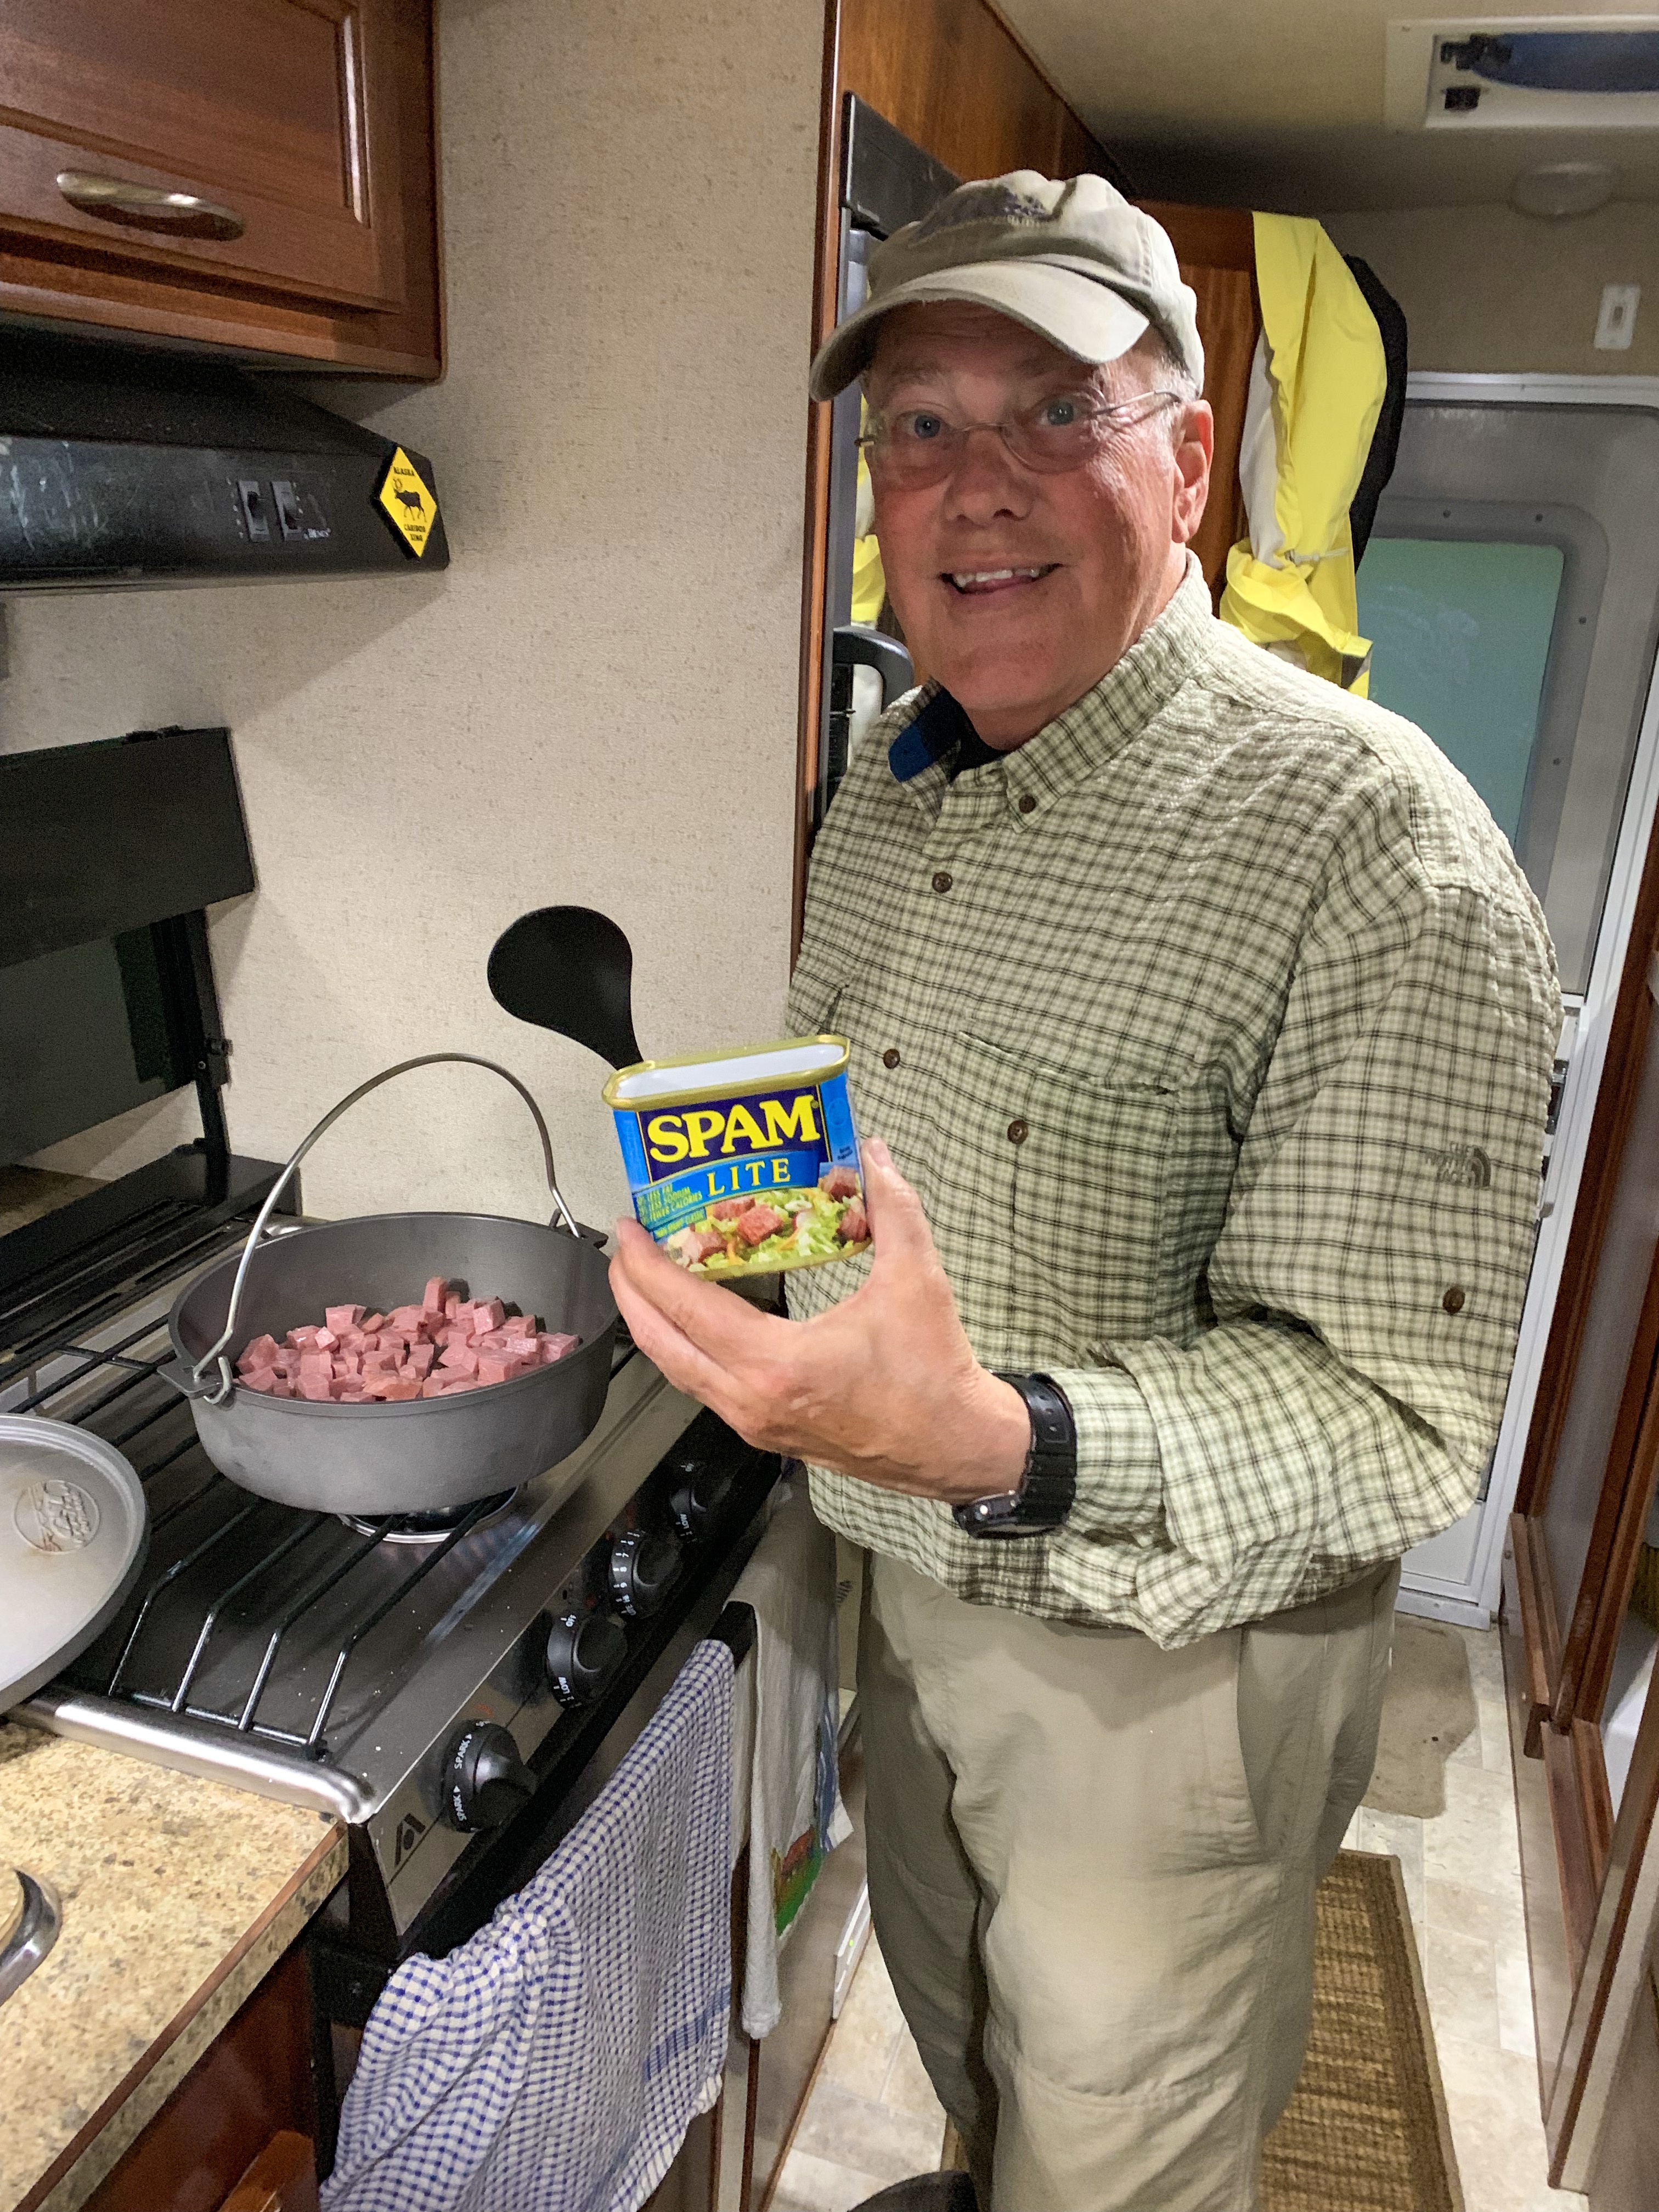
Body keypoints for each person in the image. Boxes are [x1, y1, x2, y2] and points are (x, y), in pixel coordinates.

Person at [610, 172, 1559, 2212]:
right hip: (900, 1576)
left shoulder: (1372, 848)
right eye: (921, 426)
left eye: (1059, 412)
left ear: (1191, 463)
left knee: (1120, 2151)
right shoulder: (893, 780)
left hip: (1167, 1678)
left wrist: (991, 1437)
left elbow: (1393, 1416)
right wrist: (756, 1262)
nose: (977, 485)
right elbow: (883, 1131)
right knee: (968, 2030)